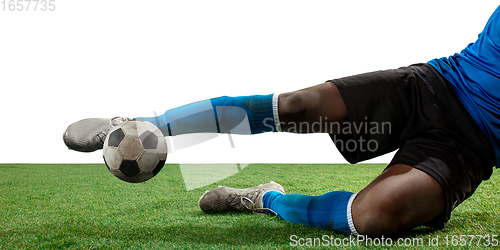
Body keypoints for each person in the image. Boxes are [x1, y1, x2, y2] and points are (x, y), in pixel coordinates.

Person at [63, 5, 500, 236]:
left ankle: (264, 198)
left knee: (373, 218)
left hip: (472, 147)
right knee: (297, 106)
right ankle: (142, 124)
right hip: (439, 84)